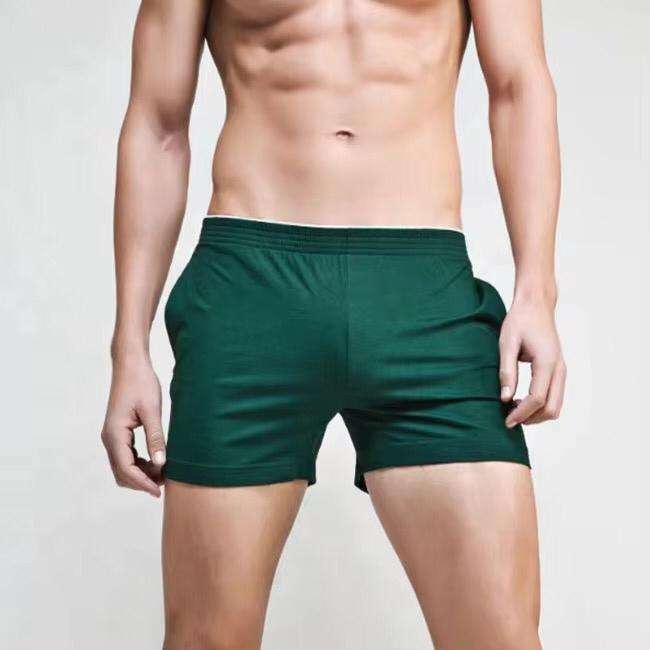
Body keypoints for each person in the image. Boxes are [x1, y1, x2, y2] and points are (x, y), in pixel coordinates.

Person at [101, 0, 564, 647]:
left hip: (425, 294)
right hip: (251, 294)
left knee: (500, 637)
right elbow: (156, 123)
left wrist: (537, 291)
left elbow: (519, 88)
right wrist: (129, 347)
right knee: (207, 639)